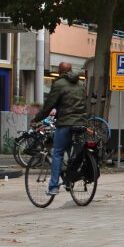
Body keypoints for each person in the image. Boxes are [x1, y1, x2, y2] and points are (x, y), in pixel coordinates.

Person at [32, 61, 90, 196]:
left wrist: (37, 119)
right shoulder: (81, 84)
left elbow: (49, 105)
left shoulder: (58, 84)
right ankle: (70, 180)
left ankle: (53, 187)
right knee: (72, 153)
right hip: (80, 123)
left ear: (59, 71)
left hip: (65, 124)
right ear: (71, 70)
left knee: (57, 152)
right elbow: (80, 104)